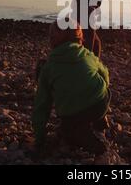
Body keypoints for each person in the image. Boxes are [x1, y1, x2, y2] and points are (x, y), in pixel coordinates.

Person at [32, 20, 111, 155]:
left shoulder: (48, 67)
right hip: (101, 102)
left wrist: (39, 138)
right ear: (80, 37)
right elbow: (105, 74)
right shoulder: (87, 54)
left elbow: (42, 106)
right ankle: (99, 119)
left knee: (67, 131)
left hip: (74, 113)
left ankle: (94, 145)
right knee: (99, 88)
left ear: (53, 40)